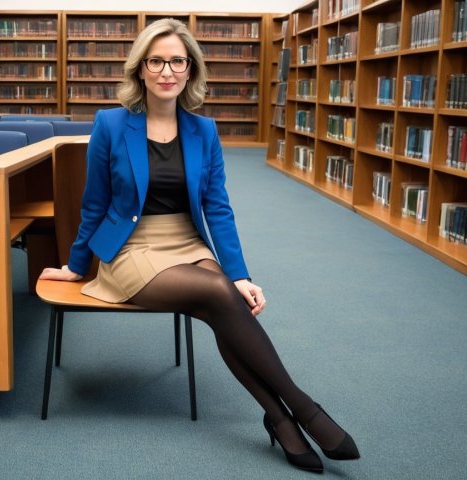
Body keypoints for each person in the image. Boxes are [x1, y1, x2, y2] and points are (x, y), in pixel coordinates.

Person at [40, 18, 359, 473]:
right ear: (141, 70)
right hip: (132, 249)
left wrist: (241, 273)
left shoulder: (203, 131)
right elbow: (93, 203)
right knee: (217, 294)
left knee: (223, 301)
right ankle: (303, 408)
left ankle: (281, 421)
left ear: (190, 70)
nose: (166, 70)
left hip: (187, 244)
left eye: (177, 61)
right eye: (156, 60)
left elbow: (217, 207)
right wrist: (75, 266)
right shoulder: (111, 124)